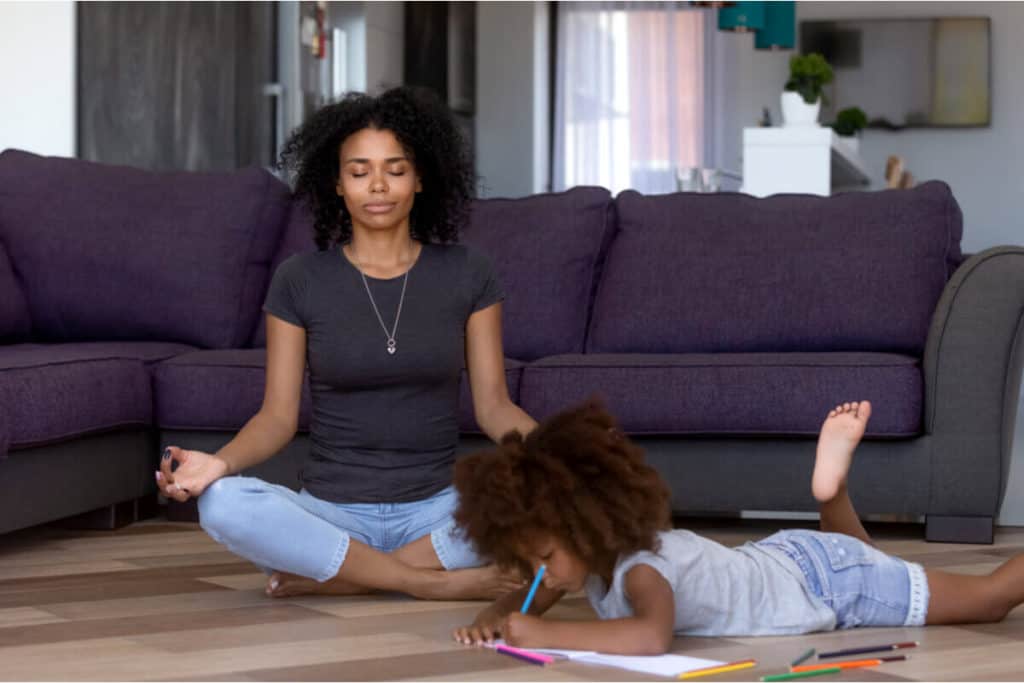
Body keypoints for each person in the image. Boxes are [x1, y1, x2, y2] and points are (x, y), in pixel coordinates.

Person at [156, 86, 536, 601]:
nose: (378, 186)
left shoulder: (470, 273)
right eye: (359, 172)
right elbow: (276, 418)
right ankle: (425, 584)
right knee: (223, 503)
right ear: (336, 184)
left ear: (421, 178)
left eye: (396, 170)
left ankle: (346, 577)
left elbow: (494, 407)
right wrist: (219, 464)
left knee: (543, 492)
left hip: (439, 513)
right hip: (328, 514)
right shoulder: (300, 279)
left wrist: (565, 456)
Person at [451, 400, 1024, 654]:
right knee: (859, 554)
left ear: (583, 526)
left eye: (544, 558)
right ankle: (832, 493)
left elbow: (650, 638)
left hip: (826, 583)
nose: (539, 575)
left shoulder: (641, 572)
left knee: (991, 598)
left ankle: (833, 494)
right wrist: (491, 620)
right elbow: (528, 601)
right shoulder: (579, 558)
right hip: (790, 559)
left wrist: (548, 636)